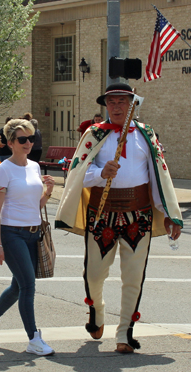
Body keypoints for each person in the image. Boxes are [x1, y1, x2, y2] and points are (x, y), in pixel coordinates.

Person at [55, 83, 183, 354]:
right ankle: (97, 309)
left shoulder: (146, 134)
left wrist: (170, 214)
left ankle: (125, 332)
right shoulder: (94, 134)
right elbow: (78, 172)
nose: (116, 106)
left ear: (132, 104)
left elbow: (158, 174)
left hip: (140, 214)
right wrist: (101, 173)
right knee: (95, 273)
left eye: (122, 102)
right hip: (102, 214)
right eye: (111, 102)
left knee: (133, 276)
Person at [0, 118, 55, 355]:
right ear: (11, 142)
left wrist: (48, 193)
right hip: (12, 235)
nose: (28, 143)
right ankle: (34, 339)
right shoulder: (3, 170)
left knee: (18, 287)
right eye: (22, 139)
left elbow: (34, 205)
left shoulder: (34, 166)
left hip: (33, 233)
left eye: (31, 138)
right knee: (28, 286)